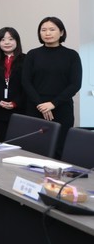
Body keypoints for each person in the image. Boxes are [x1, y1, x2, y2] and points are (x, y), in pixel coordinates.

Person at [22, 17, 82, 157]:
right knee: (34, 148)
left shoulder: (71, 55)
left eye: (52, 29)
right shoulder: (32, 54)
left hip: (62, 108)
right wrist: (40, 105)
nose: (47, 33)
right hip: (35, 108)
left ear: (61, 32)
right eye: (43, 30)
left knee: (59, 148)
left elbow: (75, 84)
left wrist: (53, 104)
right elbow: (26, 82)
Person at [0, 27, 26, 143]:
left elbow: (27, 85)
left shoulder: (26, 59)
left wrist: (16, 102)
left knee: (19, 144)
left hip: (19, 109)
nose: (7, 42)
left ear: (17, 41)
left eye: (11, 39)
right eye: (3, 40)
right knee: (1, 143)